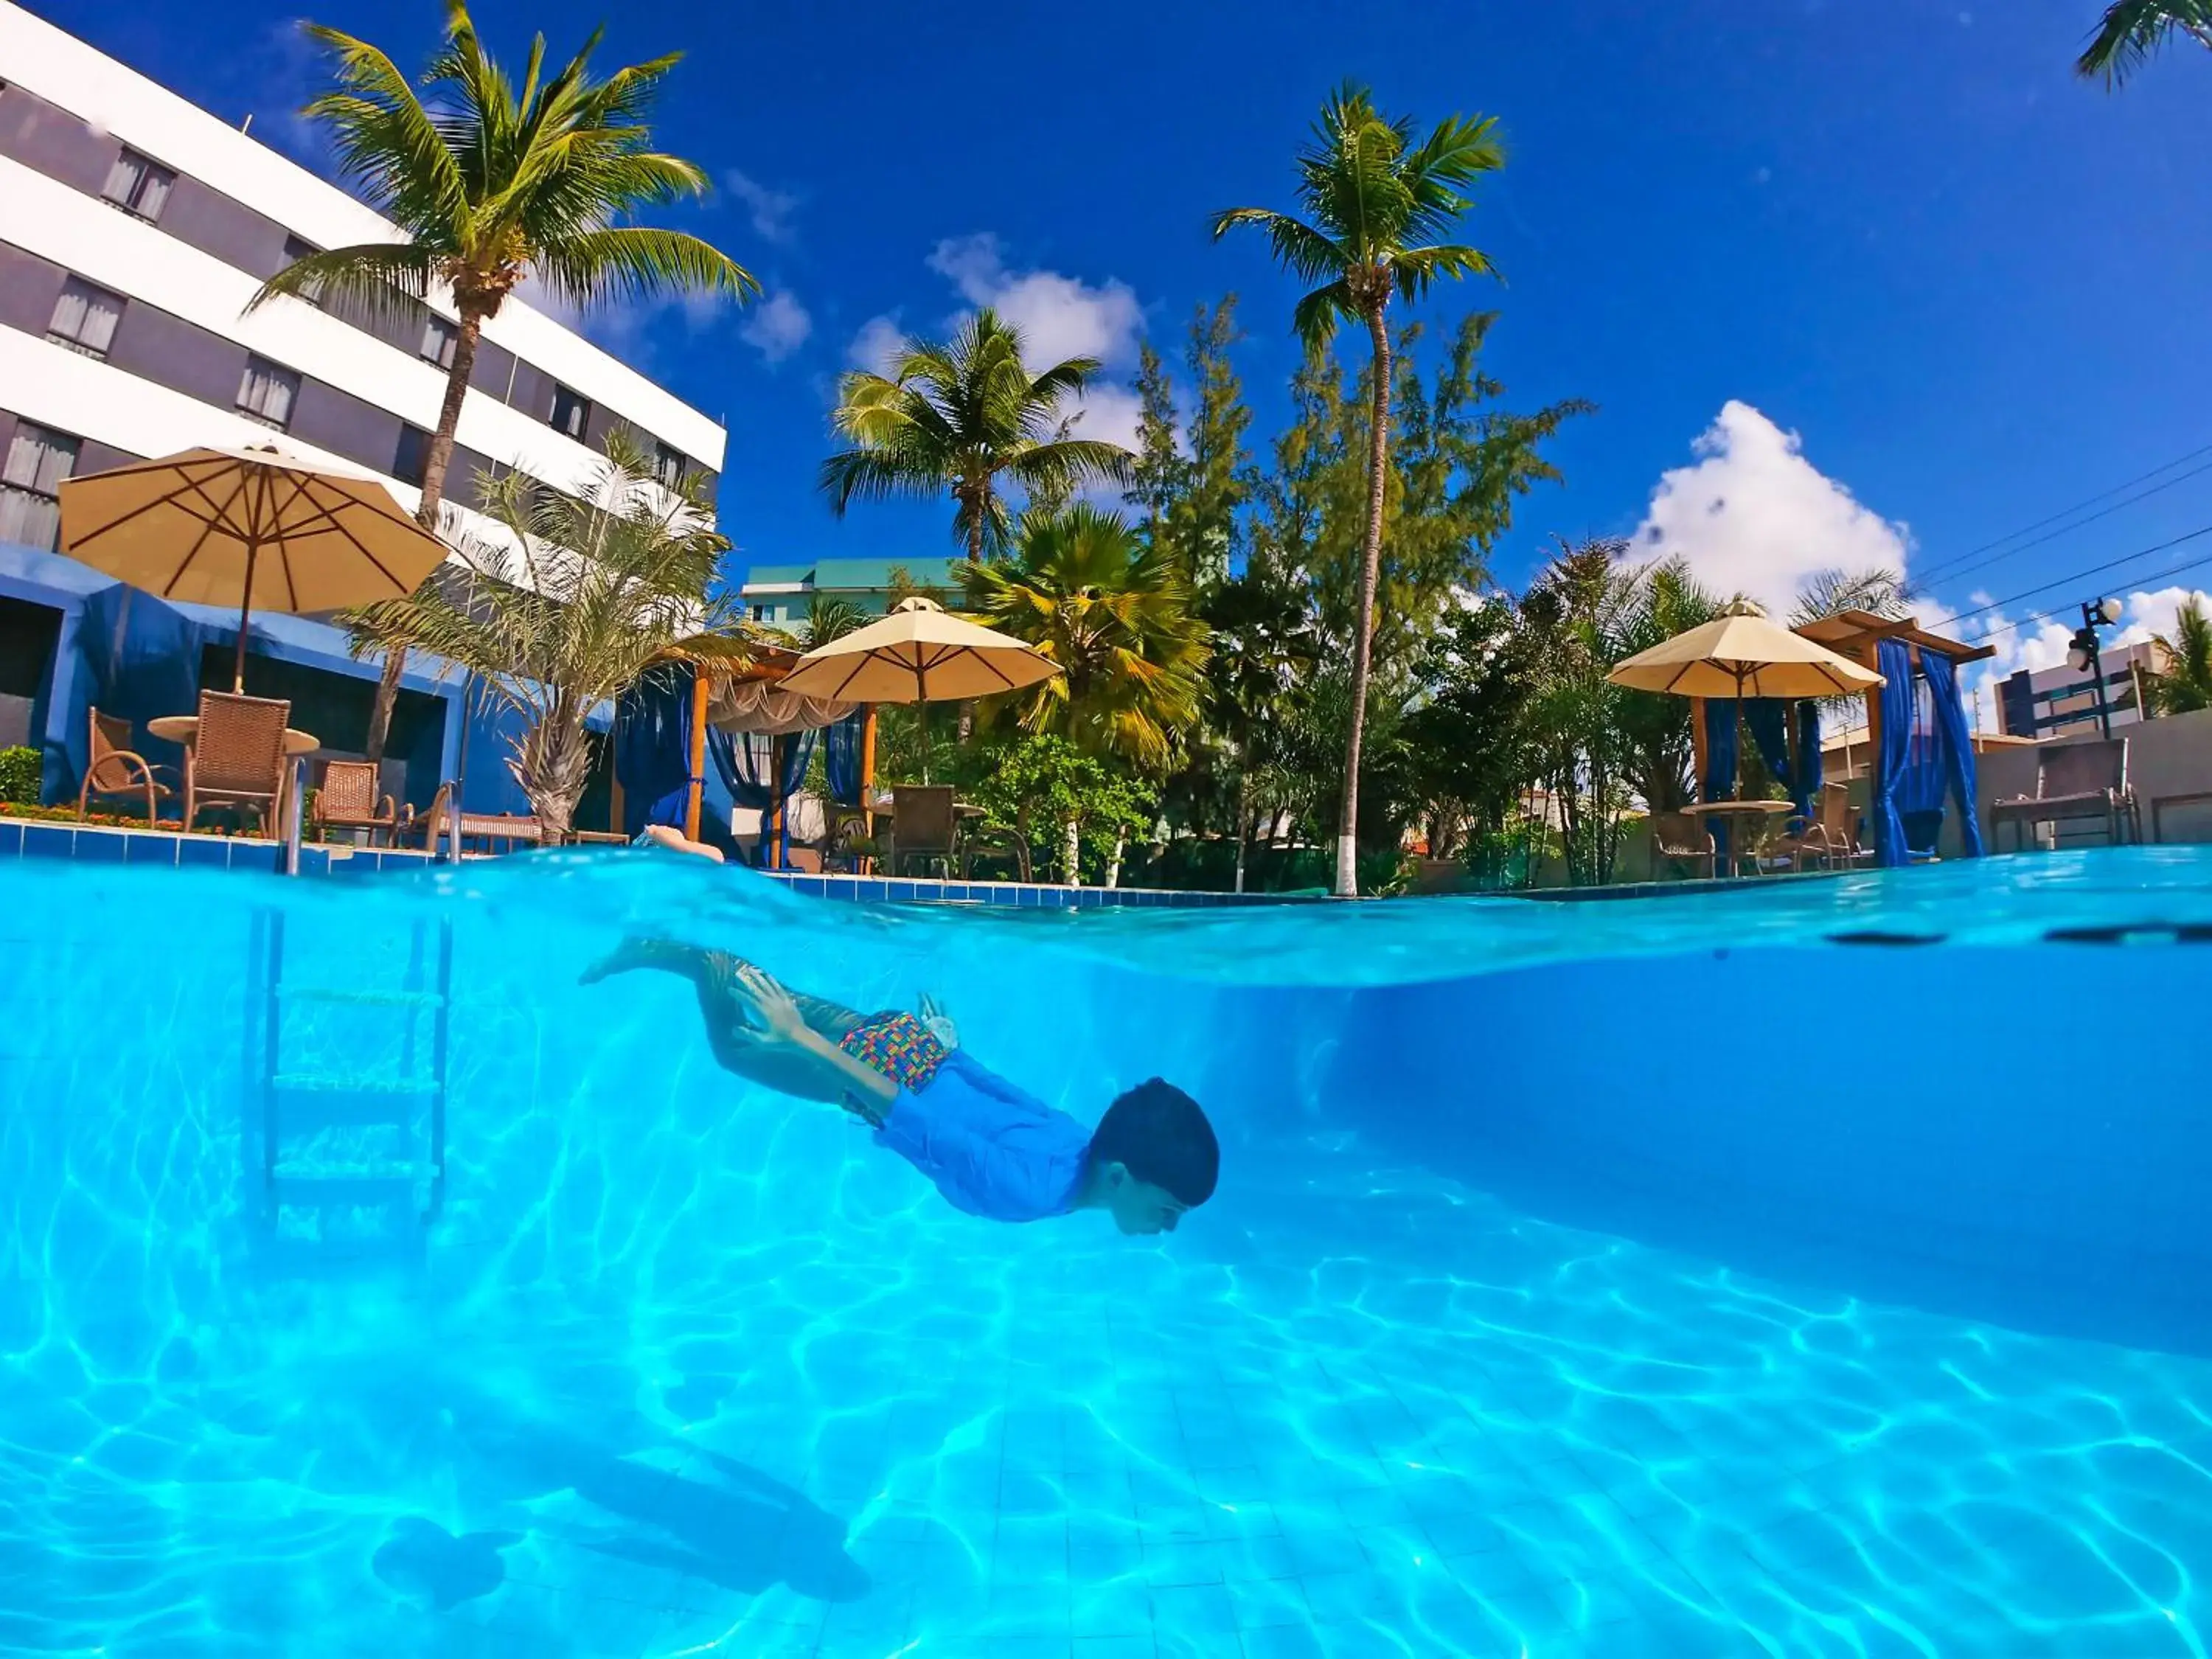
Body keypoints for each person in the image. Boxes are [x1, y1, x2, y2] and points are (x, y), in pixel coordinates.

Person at [580, 941, 1217, 1234]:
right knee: (734, 1049)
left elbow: (1009, 1095)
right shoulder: (1034, 1192)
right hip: (877, 1078)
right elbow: (919, 1124)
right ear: (1120, 1177)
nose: (1168, 1229)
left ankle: (672, 947)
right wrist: (806, 1042)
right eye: (1168, 1211)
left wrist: (950, 1053)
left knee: (774, 997)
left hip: (911, 1045)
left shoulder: (1081, 1141)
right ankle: (694, 957)